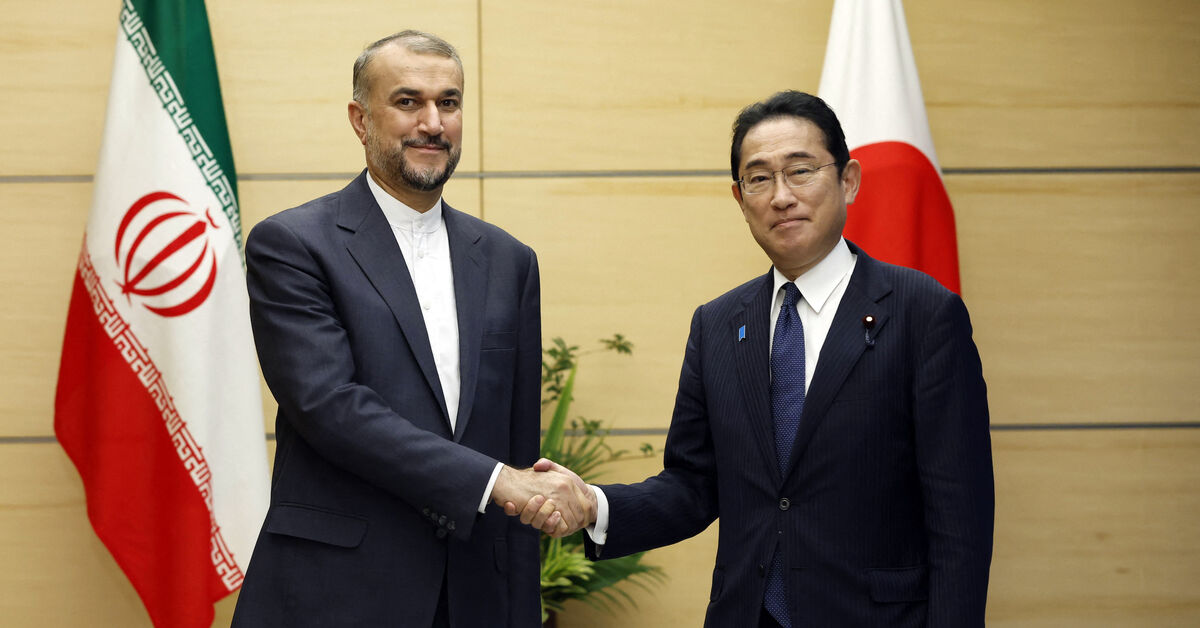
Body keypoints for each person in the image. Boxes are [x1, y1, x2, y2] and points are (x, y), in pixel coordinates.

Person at [512, 91, 994, 627]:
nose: (782, 196)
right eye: (760, 179)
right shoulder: (717, 324)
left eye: (801, 171)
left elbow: (960, 520)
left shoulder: (923, 314)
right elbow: (693, 486)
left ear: (849, 180)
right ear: (740, 199)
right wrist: (593, 506)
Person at [231, 30, 590, 628]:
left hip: (476, 596)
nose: (432, 123)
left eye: (448, 103)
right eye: (407, 102)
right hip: (337, 595)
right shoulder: (292, 245)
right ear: (360, 120)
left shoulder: (510, 260)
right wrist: (494, 481)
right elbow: (330, 407)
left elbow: (517, 446)